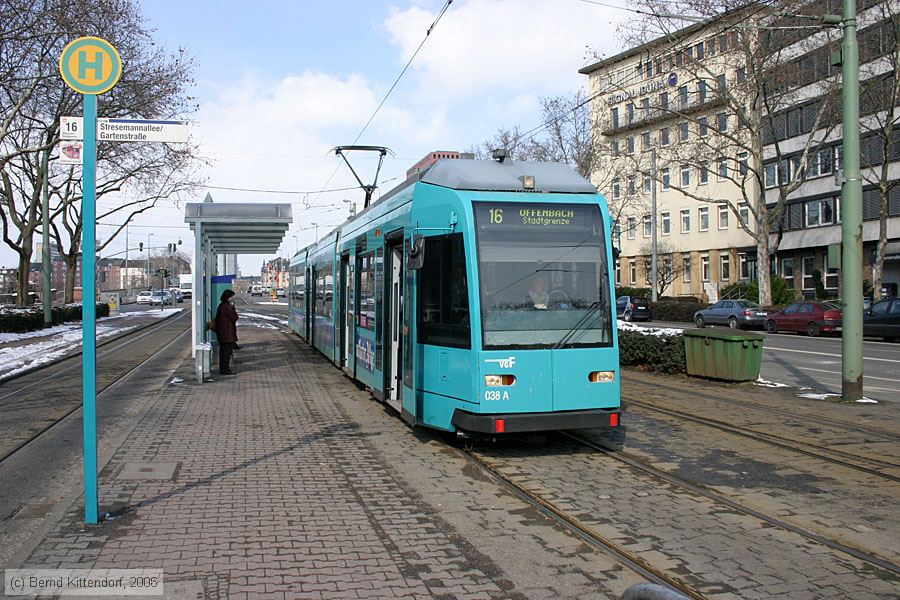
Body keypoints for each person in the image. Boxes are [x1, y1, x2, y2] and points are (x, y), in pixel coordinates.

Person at [215, 289, 239, 375]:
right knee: (227, 353)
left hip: (222, 333)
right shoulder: (228, 307)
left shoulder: (221, 305)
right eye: (232, 296)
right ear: (228, 297)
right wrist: (233, 307)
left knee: (223, 352)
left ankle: (223, 369)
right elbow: (234, 317)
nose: (233, 298)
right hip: (228, 334)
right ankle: (225, 369)